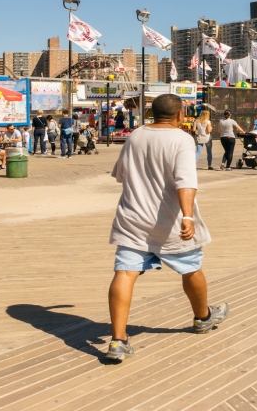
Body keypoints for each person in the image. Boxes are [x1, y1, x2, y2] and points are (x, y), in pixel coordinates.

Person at [104, 93, 228, 363]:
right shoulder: (181, 139)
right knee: (191, 268)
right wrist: (187, 217)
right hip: (170, 220)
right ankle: (203, 317)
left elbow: (120, 175)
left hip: (133, 218)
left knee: (124, 273)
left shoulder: (136, 136)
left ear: (152, 114)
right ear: (180, 115)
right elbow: (186, 180)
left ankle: (118, 340)